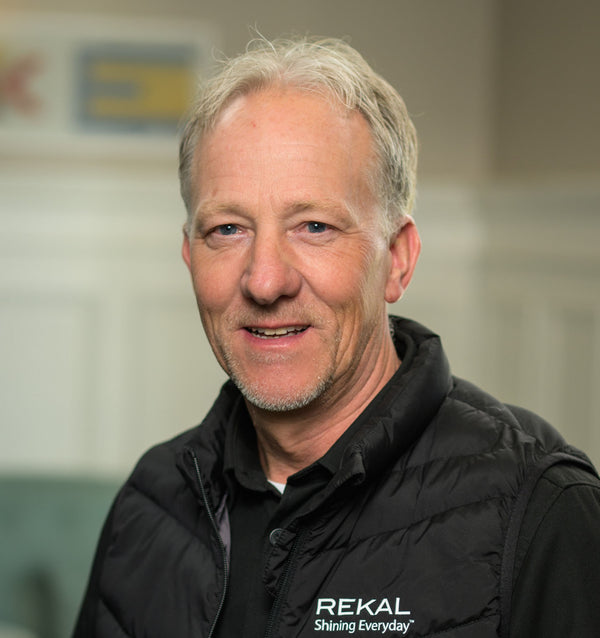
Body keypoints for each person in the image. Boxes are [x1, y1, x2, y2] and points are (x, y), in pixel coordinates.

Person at [73, 36, 600, 638]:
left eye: (315, 226)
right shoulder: (148, 505)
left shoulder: (542, 513)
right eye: (228, 229)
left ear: (397, 259)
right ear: (190, 256)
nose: (265, 280)